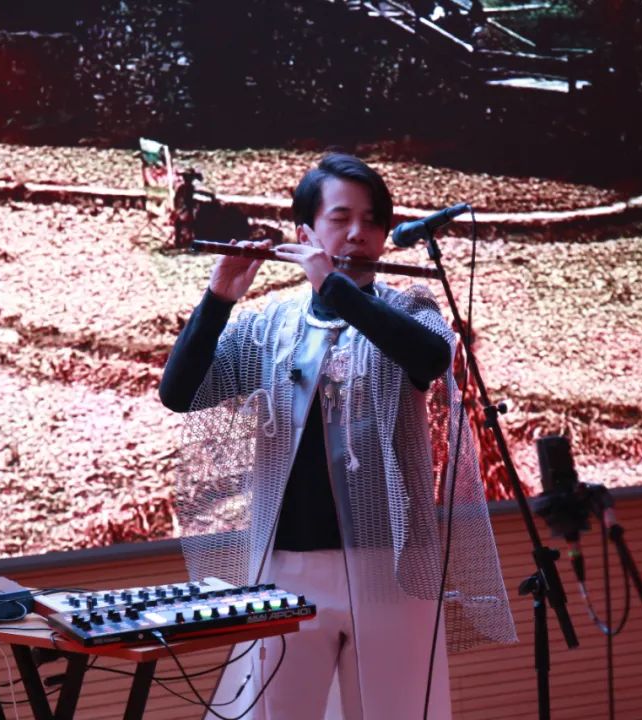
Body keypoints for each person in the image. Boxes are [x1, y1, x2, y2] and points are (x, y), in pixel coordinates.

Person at [160, 154, 515, 719]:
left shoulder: (410, 308)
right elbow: (181, 392)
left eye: (372, 221)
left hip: (393, 568)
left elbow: (430, 357)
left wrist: (334, 285)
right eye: (340, 218)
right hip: (286, 569)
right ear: (305, 233)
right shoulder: (269, 322)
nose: (358, 234)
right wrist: (219, 297)